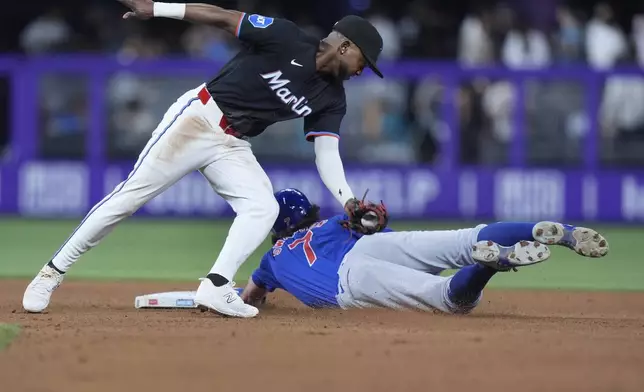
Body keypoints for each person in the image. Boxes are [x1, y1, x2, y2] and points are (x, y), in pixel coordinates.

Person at [22, 0, 385, 318]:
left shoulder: (332, 98)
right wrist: (156, 9)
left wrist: (348, 200)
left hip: (233, 144)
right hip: (199, 119)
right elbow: (223, 17)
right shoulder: (287, 37)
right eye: (363, 61)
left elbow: (326, 153)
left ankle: (215, 285)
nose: (362, 70)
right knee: (128, 198)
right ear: (344, 47)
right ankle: (52, 272)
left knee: (262, 207)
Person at [237, 189, 609, 313]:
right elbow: (374, 229)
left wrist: (246, 296)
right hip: (370, 244)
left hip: (350, 282)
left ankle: (493, 262)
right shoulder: (333, 222)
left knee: (448, 299)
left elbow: (249, 299)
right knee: (465, 238)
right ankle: (561, 231)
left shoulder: (271, 260)